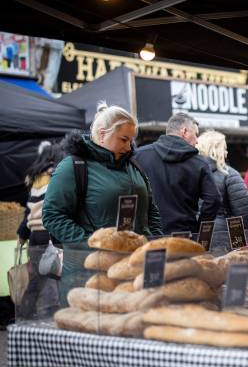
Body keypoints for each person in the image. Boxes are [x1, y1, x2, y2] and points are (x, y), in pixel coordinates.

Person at [43, 103, 163, 243]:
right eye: (124, 139)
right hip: (92, 262)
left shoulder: (134, 165)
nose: (129, 147)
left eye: (131, 141)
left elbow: (151, 211)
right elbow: (53, 216)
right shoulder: (73, 166)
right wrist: (93, 244)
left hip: (137, 260)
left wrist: (155, 243)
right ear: (102, 134)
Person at [133, 113, 221, 234]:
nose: (197, 141)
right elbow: (214, 199)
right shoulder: (200, 163)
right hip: (185, 238)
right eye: (196, 135)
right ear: (184, 131)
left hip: (149, 237)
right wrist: (199, 230)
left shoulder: (139, 155)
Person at [16, 141, 65, 318]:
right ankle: (51, 316)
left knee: (36, 279)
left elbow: (29, 210)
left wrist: (22, 235)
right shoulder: (57, 174)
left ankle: (24, 314)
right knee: (55, 277)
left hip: (35, 236)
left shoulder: (35, 178)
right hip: (50, 234)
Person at [196, 130, 248, 239]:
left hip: (194, 235)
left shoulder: (188, 173)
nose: (226, 152)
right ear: (216, 150)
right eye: (224, 148)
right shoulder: (230, 174)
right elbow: (244, 213)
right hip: (223, 238)